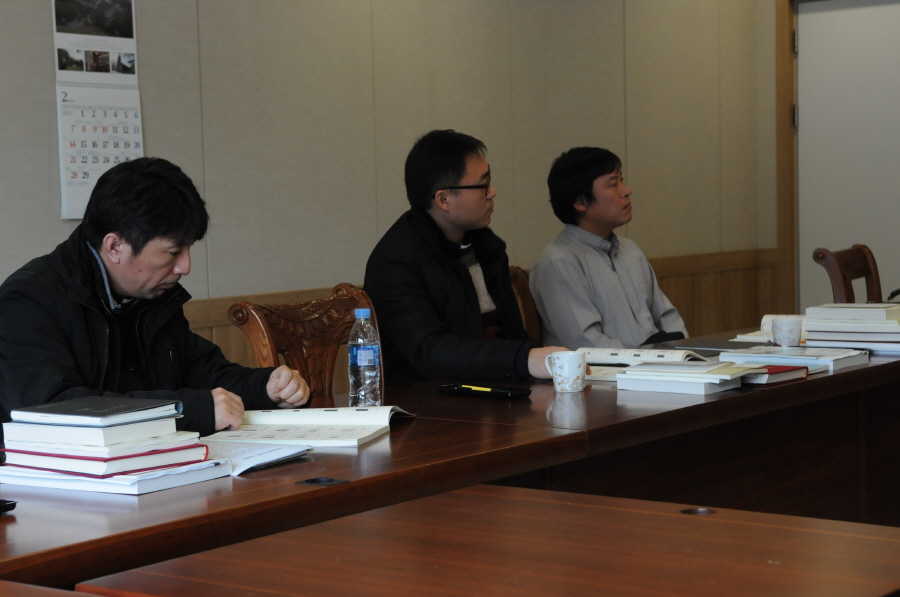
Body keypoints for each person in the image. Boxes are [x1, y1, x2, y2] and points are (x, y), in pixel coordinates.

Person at [0, 157, 309, 441]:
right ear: (115, 247)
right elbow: (50, 409)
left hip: (153, 465)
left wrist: (266, 387)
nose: (185, 266)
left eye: (188, 250)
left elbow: (203, 372)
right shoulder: (28, 301)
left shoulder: (150, 292)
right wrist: (188, 410)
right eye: (173, 252)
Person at [364, 129, 567, 385]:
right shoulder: (396, 262)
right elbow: (429, 351)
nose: (492, 192)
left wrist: (536, 360)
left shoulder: (487, 246)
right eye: (482, 185)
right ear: (444, 199)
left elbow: (513, 334)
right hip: (428, 397)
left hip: (497, 386)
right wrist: (524, 359)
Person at [530, 147, 688, 349]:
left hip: (660, 364)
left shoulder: (630, 250)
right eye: (613, 184)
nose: (626, 190)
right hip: (610, 369)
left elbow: (668, 319)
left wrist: (683, 356)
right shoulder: (559, 262)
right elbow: (586, 344)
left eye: (622, 180)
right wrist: (650, 361)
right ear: (580, 201)